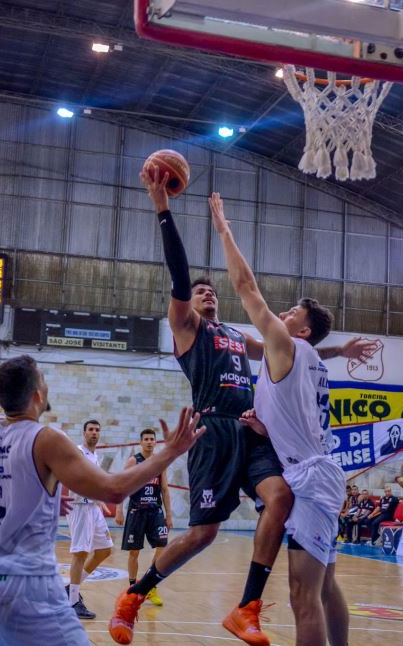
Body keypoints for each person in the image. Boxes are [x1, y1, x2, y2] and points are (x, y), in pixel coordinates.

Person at [111, 171, 372, 646]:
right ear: (186, 303)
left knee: (281, 498)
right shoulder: (187, 327)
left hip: (252, 434)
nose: (207, 292)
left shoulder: (236, 335)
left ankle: (247, 606)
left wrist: (339, 352)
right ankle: (135, 594)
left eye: (212, 290)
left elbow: (289, 348)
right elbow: (178, 274)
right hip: (211, 432)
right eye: (199, 290)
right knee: (201, 536)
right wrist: (162, 209)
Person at [0, 355, 205, 646]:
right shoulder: (46, 439)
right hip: (25, 586)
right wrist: (170, 452)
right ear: (38, 395)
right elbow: (114, 490)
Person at [209, 190, 348, 646]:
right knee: (324, 587)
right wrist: (264, 426)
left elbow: (246, 288)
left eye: (291, 313)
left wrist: (224, 230)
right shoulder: (309, 358)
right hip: (318, 470)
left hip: (312, 478)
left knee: (302, 596)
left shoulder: (288, 347)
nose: (281, 314)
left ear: (301, 330)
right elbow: (296, 417)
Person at [115, 429, 172, 607]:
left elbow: (164, 489)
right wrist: (119, 509)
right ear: (141, 442)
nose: (149, 442)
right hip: (136, 511)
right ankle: (133, 589)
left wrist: (169, 514)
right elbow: (121, 484)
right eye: (146, 439)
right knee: (134, 552)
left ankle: (150, 586)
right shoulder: (134, 461)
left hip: (155, 511)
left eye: (152, 439)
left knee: (162, 547)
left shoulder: (159, 462)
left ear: (156, 442)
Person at [64, 420, 114, 620]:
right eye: (91, 430)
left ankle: (70, 589)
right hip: (80, 507)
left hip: (92, 507)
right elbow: (73, 479)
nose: (94, 433)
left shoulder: (94, 455)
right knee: (80, 553)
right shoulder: (77, 452)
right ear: (83, 433)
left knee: (104, 550)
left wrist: (99, 499)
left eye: (97, 430)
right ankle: (73, 601)